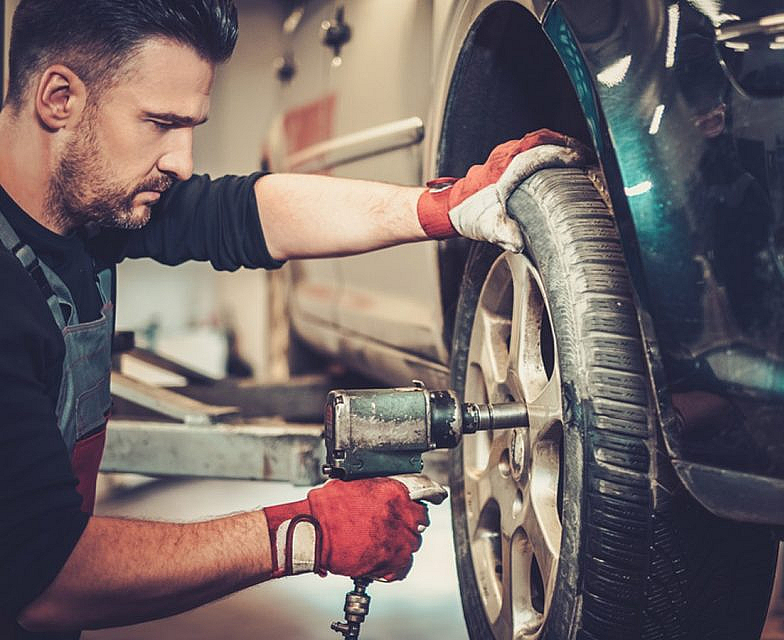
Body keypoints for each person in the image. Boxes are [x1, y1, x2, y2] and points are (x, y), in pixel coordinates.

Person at [0, 1, 588, 637]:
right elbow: (47, 578)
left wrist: (441, 206)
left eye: (191, 126)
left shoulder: (84, 209)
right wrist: (308, 534)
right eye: (161, 123)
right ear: (58, 98)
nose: (182, 160)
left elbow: (246, 213)